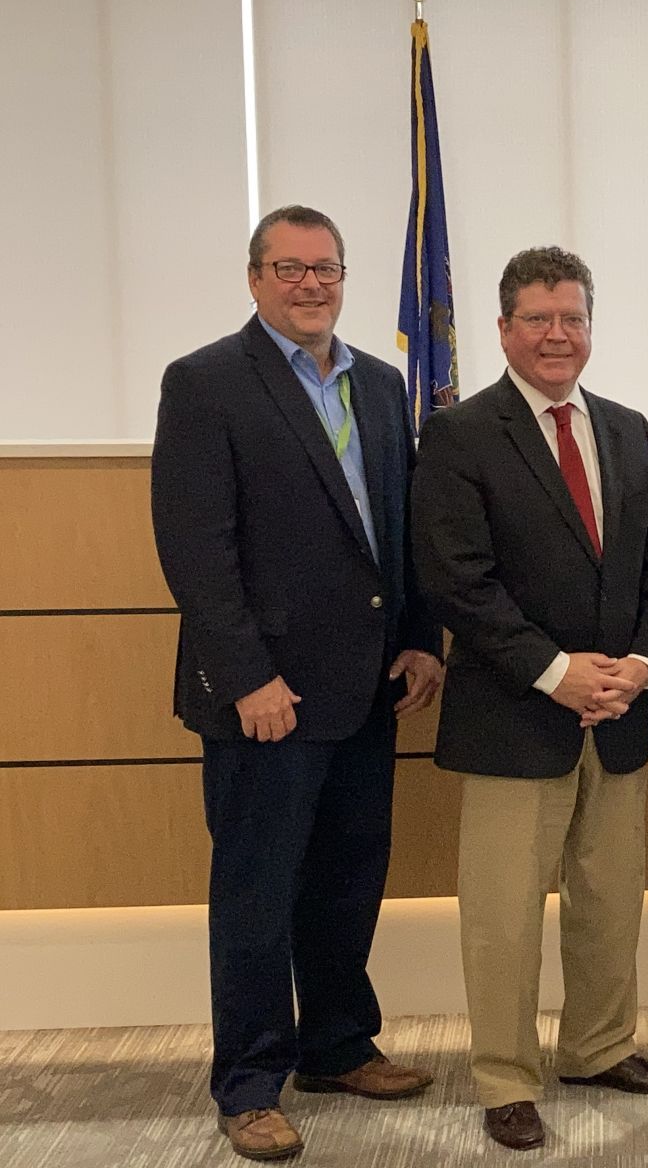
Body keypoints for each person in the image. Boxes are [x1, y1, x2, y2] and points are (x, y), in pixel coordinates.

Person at [150, 204, 444, 1162]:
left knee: (347, 879)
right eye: (290, 268)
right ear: (254, 278)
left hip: (366, 689)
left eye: (327, 269)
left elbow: (395, 533)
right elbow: (197, 550)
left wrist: (419, 638)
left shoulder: (384, 383)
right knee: (255, 895)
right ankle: (248, 1084)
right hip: (265, 700)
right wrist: (246, 677)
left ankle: (337, 1046)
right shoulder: (204, 384)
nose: (311, 284)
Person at [410, 246, 648, 1151]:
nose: (557, 335)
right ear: (502, 330)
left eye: (572, 318)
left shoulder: (628, 429)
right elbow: (458, 580)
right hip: (514, 717)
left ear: (591, 329)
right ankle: (504, 1077)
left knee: (611, 901)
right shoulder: (458, 435)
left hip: (617, 713)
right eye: (538, 318)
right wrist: (555, 670)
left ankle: (600, 1047)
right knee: (503, 919)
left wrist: (641, 666)